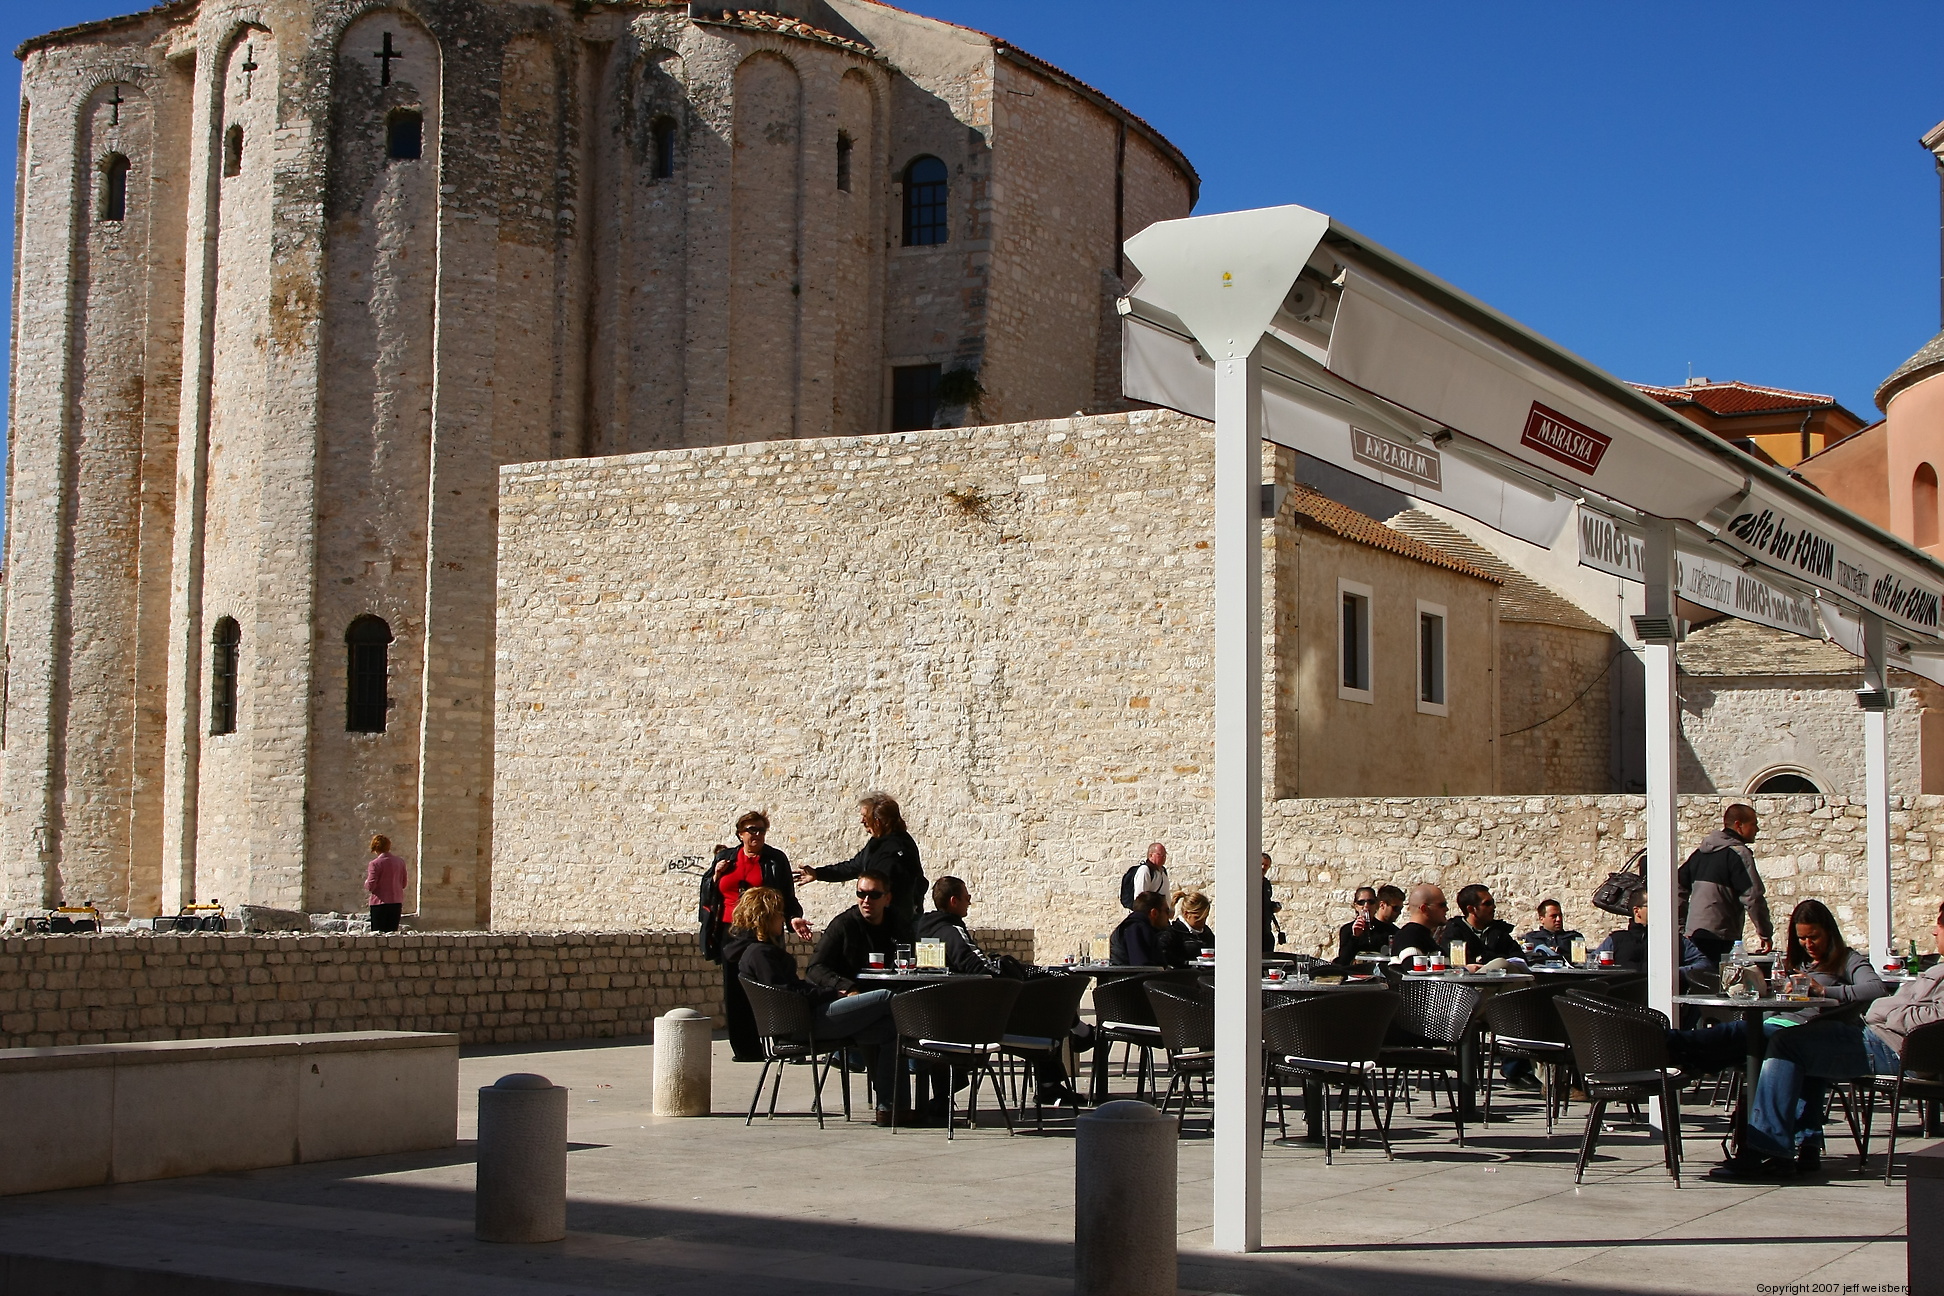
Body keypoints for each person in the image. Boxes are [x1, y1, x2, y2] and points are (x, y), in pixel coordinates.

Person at [1705, 899, 1888, 1180]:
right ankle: (1807, 1144)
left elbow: (1876, 988)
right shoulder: (1798, 962)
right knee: (1773, 1041)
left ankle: (1681, 1049)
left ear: (1829, 932)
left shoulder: (1848, 959)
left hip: (1815, 1031)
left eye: (1814, 937)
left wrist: (1825, 992)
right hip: (1785, 1025)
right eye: (1802, 938)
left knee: (1775, 1043)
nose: (1808, 944)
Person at [727, 886, 902, 1126]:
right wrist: (831, 993)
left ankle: (891, 1107)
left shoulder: (754, 953)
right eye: (779, 914)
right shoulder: (760, 954)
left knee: (887, 1029)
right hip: (803, 1024)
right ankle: (896, 1101)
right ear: (765, 918)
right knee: (885, 997)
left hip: (801, 1021)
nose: (783, 919)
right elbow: (788, 992)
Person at [918, 877, 1087, 1106]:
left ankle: (1077, 1037)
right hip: (973, 1022)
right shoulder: (952, 931)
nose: (970, 901)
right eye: (967, 897)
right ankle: (1057, 1074)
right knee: (1045, 1004)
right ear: (953, 901)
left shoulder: (924, 929)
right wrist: (1006, 978)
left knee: (1040, 996)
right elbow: (979, 968)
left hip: (939, 1014)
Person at [699, 811, 812, 1063]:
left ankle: (786, 1041)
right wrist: (716, 875)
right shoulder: (725, 858)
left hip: (762, 930)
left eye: (761, 830)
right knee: (735, 989)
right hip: (730, 930)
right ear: (740, 834)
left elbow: (787, 895)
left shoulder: (775, 859)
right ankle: (745, 1049)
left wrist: (793, 918)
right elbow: (707, 892)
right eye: (751, 830)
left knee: (773, 984)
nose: (757, 835)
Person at [797, 793, 925, 939]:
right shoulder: (877, 844)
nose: (862, 821)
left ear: (878, 821)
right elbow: (853, 867)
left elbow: (886, 895)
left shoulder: (897, 850)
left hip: (893, 929)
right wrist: (818, 874)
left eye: (865, 816)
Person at [1680, 802, 1774, 961]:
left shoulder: (1699, 854)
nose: (1757, 829)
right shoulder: (1739, 854)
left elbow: (1676, 886)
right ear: (1739, 825)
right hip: (1721, 936)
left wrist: (1680, 927)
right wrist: (1765, 933)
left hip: (1693, 936)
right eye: (1753, 824)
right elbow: (1753, 898)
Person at [1596, 884, 1710, 976]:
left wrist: (1675, 973)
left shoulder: (1673, 939)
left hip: (1665, 995)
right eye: (1654, 905)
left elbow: (1704, 964)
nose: (1660, 909)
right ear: (1637, 911)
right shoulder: (1616, 940)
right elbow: (1593, 964)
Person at [1440, 884, 1523, 967]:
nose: (1493, 907)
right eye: (1487, 904)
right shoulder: (1454, 932)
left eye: (1493, 903)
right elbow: (1459, 962)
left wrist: (1484, 958)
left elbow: (1519, 957)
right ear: (1471, 909)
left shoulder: (1498, 931)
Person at [1334, 886, 1398, 964]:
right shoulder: (1347, 929)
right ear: (1356, 906)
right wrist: (1355, 937)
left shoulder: (1387, 929)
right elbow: (1343, 961)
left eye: (1371, 902)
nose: (1366, 906)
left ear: (1376, 905)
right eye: (1361, 902)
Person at [1110, 891, 1173, 966]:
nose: (1169, 916)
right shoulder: (1136, 929)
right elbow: (1142, 967)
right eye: (1167, 911)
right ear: (1154, 913)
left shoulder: (1139, 928)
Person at [1389, 884, 1447, 961]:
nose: (1446, 909)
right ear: (1424, 909)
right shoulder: (1409, 937)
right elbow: (1412, 967)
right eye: (1442, 905)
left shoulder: (1423, 935)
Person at [364, 835, 407, 933]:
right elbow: (403, 884)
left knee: (378, 935)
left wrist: (366, 883)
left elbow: (371, 885)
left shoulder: (375, 864)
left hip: (379, 903)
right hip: (396, 902)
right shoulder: (400, 862)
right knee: (392, 934)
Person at [1164, 890, 1216, 963]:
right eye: (1197, 918)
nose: (1202, 922)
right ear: (1186, 914)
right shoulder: (1173, 933)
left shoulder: (1207, 933)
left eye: (1205, 918)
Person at [1120, 843, 1170, 911]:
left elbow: (1166, 895)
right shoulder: (1145, 870)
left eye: (1164, 855)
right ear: (1151, 855)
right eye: (1160, 854)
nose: (1163, 857)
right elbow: (1141, 899)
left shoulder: (1163, 871)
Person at [1260, 853, 1284, 953]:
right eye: (1261, 864)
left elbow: (1265, 902)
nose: (1263, 867)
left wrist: (1274, 907)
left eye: (1266, 865)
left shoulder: (1266, 883)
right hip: (1252, 931)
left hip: (1265, 930)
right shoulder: (1247, 882)